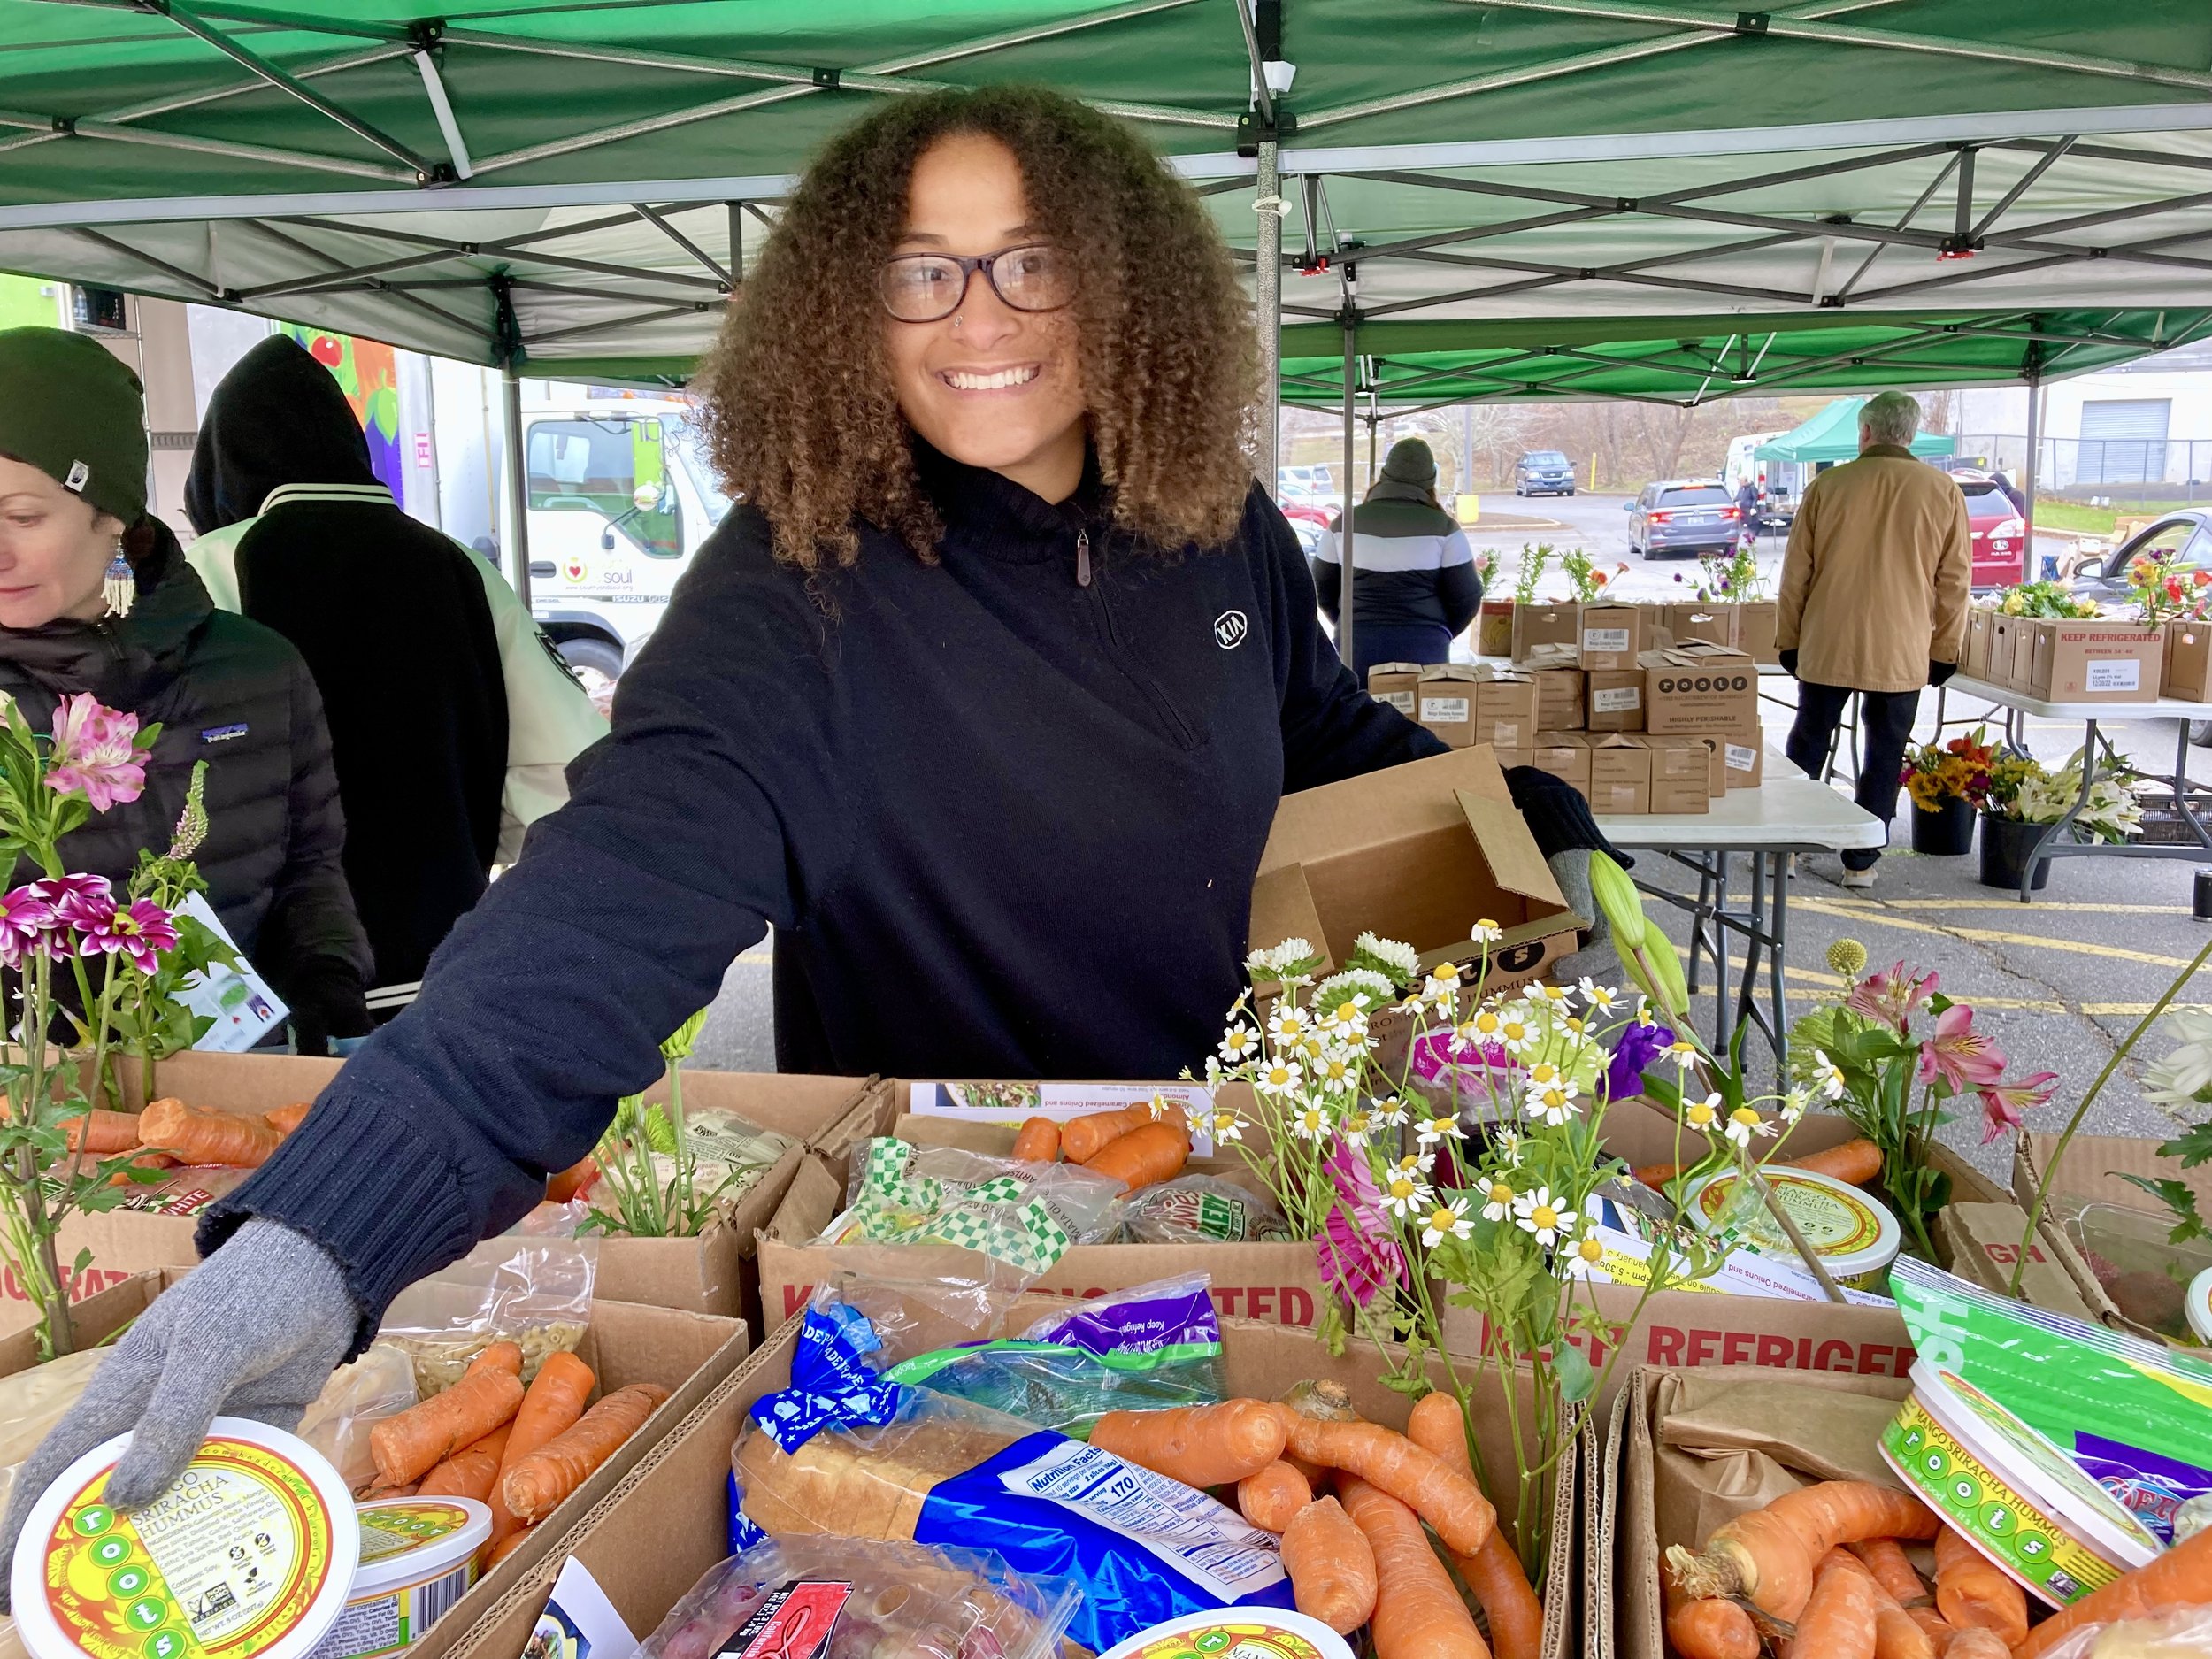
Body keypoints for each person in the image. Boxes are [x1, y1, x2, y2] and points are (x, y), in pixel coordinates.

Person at [0, 86, 1624, 1554]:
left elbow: (1323, 733)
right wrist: (315, 1247)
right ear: (847, 311)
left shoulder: (1212, 524)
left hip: (1222, 1195)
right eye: (921, 269)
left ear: (1125, 288)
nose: (977, 317)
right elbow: (595, 915)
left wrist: (1549, 825)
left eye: (1029, 261)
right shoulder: (798, 592)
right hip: (948, 1268)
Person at [183, 335, 607, 1009]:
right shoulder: (463, 570)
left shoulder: (213, 569)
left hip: (273, 995)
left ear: (218, 473)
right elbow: (568, 774)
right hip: (440, 974)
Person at [0, 327, 373, 1050]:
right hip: (34, 1124)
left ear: (111, 511)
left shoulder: (256, 671)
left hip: (234, 1096)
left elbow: (309, 866)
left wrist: (327, 982)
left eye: (22, 516)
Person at [1776, 389, 1970, 890]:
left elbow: (1797, 571)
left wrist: (1789, 637)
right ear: (1910, 435)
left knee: (1809, 740)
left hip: (1827, 640)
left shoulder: (1829, 486)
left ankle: (1789, 848)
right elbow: (1955, 582)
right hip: (1901, 646)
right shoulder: (1943, 489)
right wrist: (1944, 649)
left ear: (1864, 432)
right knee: (1886, 752)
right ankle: (1860, 860)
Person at [1310, 438, 1481, 679]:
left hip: (1356, 646)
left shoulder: (1343, 524)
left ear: (1385, 475)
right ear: (1430, 482)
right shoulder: (1445, 528)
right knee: (1417, 716)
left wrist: (1347, 622)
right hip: (1425, 650)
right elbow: (1468, 596)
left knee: (1358, 714)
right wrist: (1439, 631)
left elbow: (1320, 587)